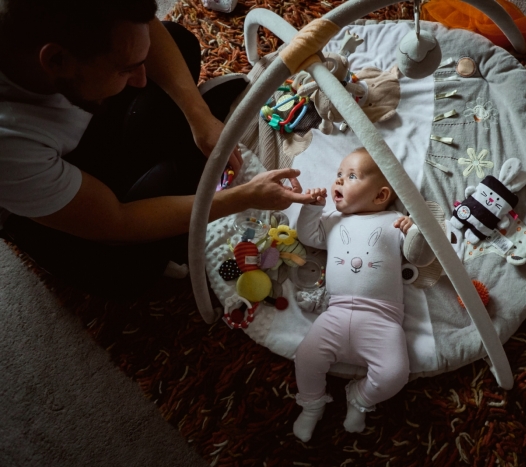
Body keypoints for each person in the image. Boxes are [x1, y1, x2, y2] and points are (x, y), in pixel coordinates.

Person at [0, 0, 312, 298]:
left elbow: (144, 26)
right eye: (125, 69)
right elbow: (117, 221)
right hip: (42, 200)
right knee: (128, 274)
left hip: (73, 124)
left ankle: (168, 157)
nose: (139, 79)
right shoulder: (10, 148)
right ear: (57, 61)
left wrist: (197, 114)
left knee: (178, 42)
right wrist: (243, 198)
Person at [292, 147, 426, 442]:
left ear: (380, 196)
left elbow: (419, 257)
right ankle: (312, 404)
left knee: (394, 373)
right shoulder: (331, 221)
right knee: (305, 358)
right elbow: (306, 235)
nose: (338, 181)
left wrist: (414, 231)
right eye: (339, 174)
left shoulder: (394, 221)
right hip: (335, 314)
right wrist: (312, 208)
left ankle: (360, 399)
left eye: (351, 176)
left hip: (382, 320)